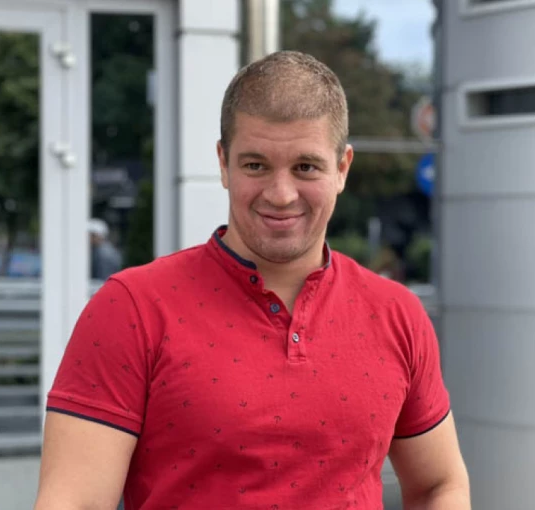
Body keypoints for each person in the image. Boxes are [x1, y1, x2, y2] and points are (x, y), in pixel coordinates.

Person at [35, 51, 470, 509]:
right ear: (223, 163)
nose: (281, 195)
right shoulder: (132, 308)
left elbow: (439, 484)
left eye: (305, 167)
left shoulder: (397, 314)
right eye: (256, 166)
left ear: (342, 168)